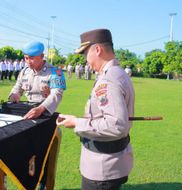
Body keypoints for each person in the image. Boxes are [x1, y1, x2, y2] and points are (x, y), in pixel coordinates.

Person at [56, 29, 134, 190]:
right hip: (113, 161)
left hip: (102, 167)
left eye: (85, 54)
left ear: (97, 50)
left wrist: (77, 123)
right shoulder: (118, 73)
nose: (85, 60)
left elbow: (116, 125)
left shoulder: (109, 79)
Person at [8, 41, 66, 120]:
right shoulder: (24, 72)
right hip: (27, 112)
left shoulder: (55, 72)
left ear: (42, 56)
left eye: (32, 58)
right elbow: (17, 88)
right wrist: (13, 95)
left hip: (45, 114)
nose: (28, 62)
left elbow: (56, 94)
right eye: (26, 58)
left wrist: (40, 109)